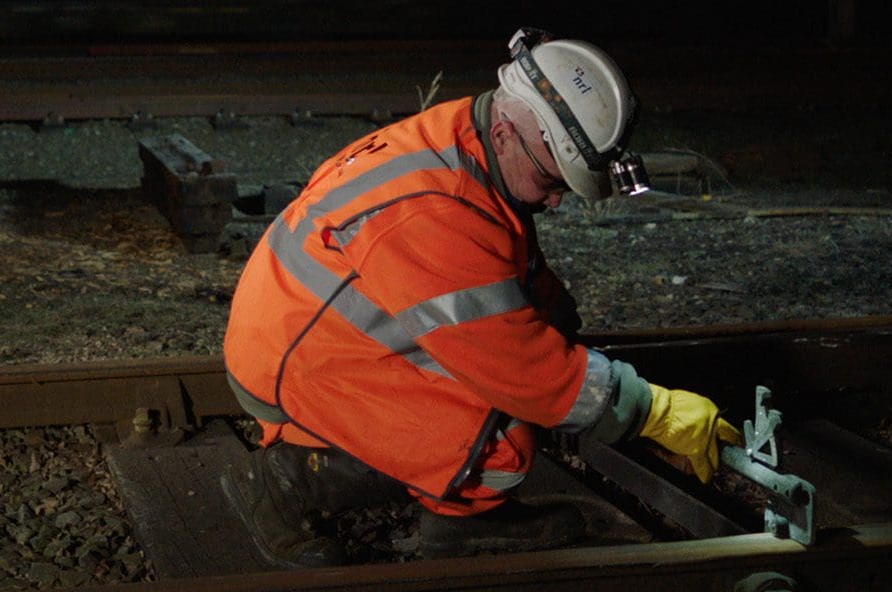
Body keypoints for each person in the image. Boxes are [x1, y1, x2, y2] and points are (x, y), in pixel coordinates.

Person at [219, 28, 742, 567]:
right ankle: (284, 484)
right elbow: (519, 367)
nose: (558, 201)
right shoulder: (435, 209)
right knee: (498, 434)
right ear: (506, 131)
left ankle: (455, 521)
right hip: (298, 363)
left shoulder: (466, 138)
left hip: (311, 331)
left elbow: (501, 262)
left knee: (536, 370)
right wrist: (648, 410)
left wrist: (561, 327)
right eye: (552, 180)